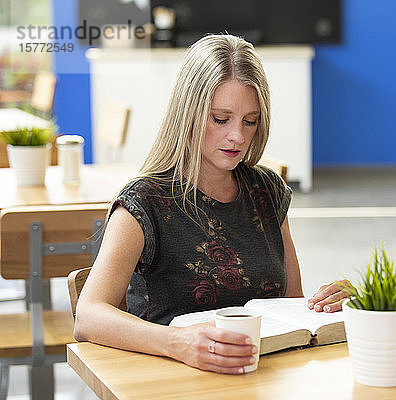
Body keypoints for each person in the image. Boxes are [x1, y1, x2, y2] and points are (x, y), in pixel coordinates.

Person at [74, 34, 349, 375]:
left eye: (250, 121)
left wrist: (327, 307)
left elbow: (291, 304)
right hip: (172, 382)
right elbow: (88, 316)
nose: (238, 136)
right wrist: (177, 343)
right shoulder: (143, 203)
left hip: (257, 381)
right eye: (221, 119)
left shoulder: (267, 191)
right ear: (188, 114)